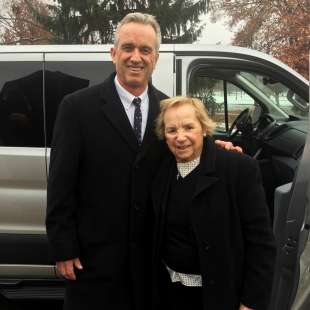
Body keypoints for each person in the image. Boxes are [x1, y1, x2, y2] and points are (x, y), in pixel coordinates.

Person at [46, 12, 241, 310]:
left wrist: (218, 149)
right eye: (128, 48)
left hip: (151, 260)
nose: (136, 57)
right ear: (113, 53)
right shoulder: (77, 108)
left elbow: (187, 144)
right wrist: (63, 247)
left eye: (145, 50)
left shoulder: (167, 110)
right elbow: (60, 183)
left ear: (156, 58)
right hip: (94, 258)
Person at [152, 96, 276, 310]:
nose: (180, 137)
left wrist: (252, 302)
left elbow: (261, 243)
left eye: (189, 127)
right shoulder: (161, 170)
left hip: (219, 295)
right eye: (172, 130)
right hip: (168, 293)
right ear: (164, 135)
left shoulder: (238, 168)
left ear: (204, 128)